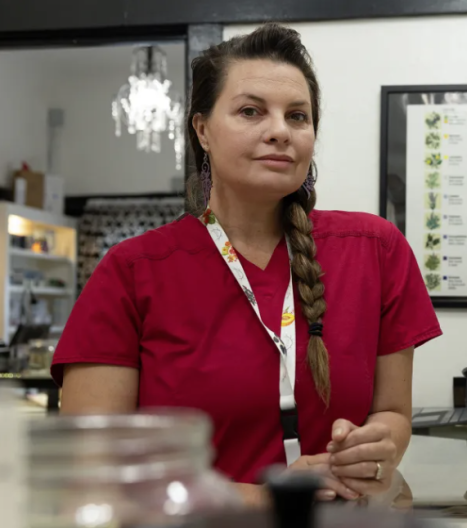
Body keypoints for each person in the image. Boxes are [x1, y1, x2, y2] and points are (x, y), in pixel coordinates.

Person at [51, 23, 442, 506]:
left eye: (297, 116)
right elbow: (92, 467)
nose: (279, 130)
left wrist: (379, 445)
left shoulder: (376, 250)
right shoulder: (132, 272)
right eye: (251, 111)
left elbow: (393, 414)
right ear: (202, 130)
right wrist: (268, 500)